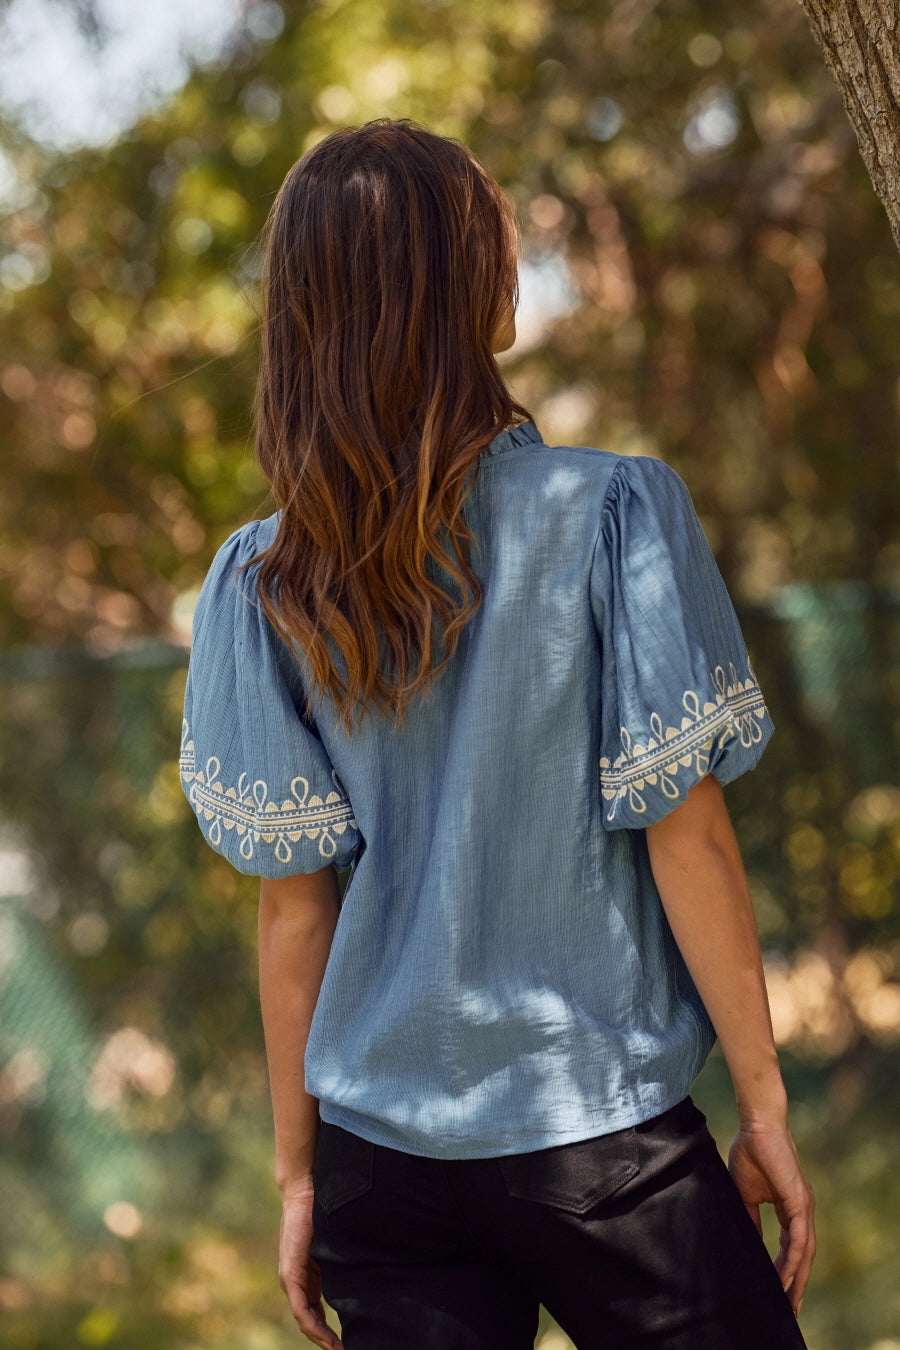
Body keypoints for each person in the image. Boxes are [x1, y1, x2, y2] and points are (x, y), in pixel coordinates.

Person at [180, 119, 815, 1350]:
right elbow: (687, 834)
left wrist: (301, 1177)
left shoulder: (260, 580)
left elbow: (293, 907)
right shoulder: (614, 513)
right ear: (473, 285)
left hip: (381, 1168)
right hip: (609, 1149)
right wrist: (765, 1104)